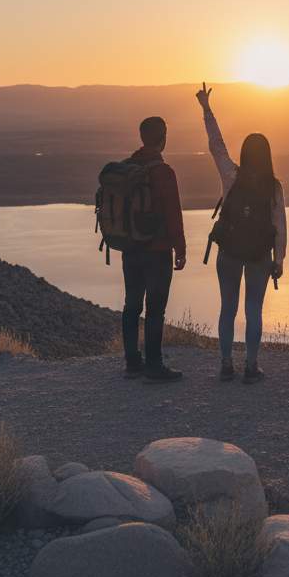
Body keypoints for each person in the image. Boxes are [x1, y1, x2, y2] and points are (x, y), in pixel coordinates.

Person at [196, 83, 286, 384]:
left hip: (229, 252)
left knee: (228, 309)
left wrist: (207, 109)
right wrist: (279, 260)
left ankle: (225, 366)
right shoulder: (274, 187)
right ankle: (250, 366)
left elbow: (216, 145)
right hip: (260, 255)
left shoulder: (231, 176)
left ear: (245, 153)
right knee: (253, 310)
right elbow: (280, 226)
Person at [121, 116, 186, 384]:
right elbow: (173, 217)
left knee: (132, 304)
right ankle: (155, 367)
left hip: (130, 249)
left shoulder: (126, 168)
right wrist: (180, 249)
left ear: (141, 137)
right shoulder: (164, 172)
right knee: (155, 309)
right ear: (164, 139)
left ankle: (133, 363)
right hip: (158, 251)